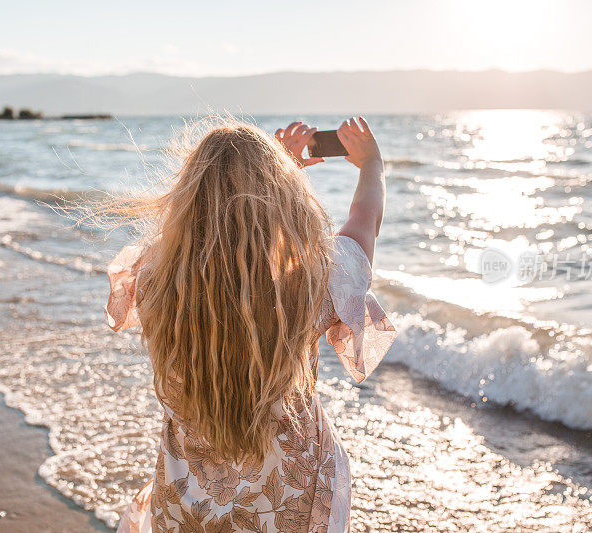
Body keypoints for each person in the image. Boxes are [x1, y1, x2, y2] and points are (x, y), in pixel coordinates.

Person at [106, 117, 397, 532]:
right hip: (289, 505)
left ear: (189, 198)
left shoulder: (153, 277)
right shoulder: (307, 287)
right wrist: (372, 164)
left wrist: (280, 170)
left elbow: (222, 246)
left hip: (186, 502)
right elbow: (364, 221)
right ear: (284, 200)